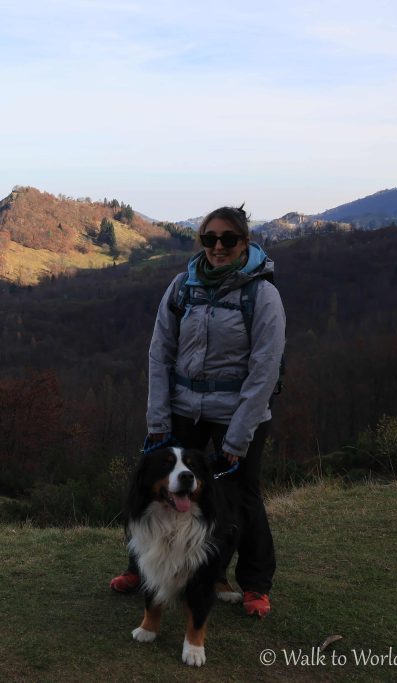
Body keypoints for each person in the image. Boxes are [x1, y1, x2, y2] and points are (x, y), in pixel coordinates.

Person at [109, 205, 286, 618]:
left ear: (245, 242)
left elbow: (264, 370)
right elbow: (159, 354)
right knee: (154, 487)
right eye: (209, 239)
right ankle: (141, 568)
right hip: (183, 410)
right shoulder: (182, 287)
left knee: (241, 498)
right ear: (201, 241)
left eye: (228, 239)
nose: (218, 247)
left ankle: (254, 584)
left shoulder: (262, 294)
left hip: (237, 414)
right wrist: (157, 422)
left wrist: (238, 438)